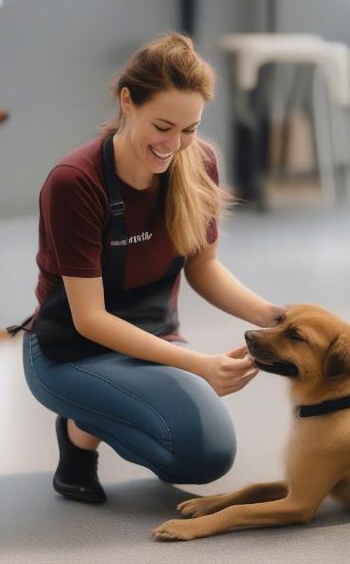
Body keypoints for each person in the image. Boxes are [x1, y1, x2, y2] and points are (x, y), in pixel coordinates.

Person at [17, 32, 286, 504]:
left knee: (208, 456)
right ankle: (80, 432)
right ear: (128, 101)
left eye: (190, 129)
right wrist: (199, 365)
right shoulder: (75, 182)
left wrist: (272, 317)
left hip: (153, 337)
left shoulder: (199, 162)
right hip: (69, 352)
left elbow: (204, 268)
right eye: (163, 126)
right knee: (188, 445)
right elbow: (90, 319)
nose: (174, 144)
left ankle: (94, 415)